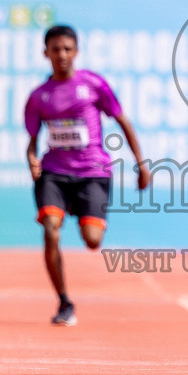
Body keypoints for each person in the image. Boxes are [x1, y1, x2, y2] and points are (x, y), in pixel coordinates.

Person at [24, 25, 150, 326]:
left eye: (67, 49)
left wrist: (141, 164)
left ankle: (82, 211)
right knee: (51, 229)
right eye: (55, 49)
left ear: (76, 51)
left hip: (93, 172)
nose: (62, 55)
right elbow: (31, 140)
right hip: (54, 173)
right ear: (46, 53)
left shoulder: (94, 84)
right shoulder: (39, 97)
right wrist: (31, 158)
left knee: (92, 240)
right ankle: (64, 302)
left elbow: (123, 121)